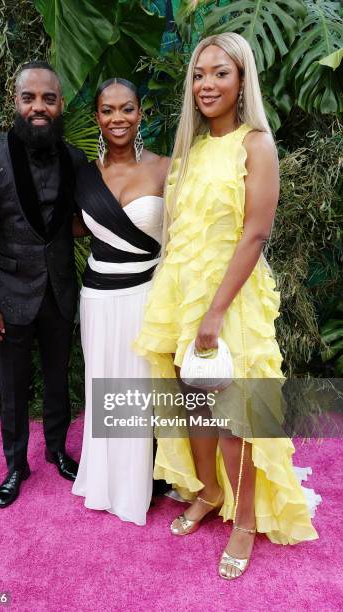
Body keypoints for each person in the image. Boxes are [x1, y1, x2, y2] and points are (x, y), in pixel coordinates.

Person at [134, 33, 320, 578]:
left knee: (235, 415)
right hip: (183, 293)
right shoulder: (191, 149)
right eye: (199, 74)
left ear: (242, 82)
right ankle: (210, 491)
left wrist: (215, 312)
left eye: (219, 73)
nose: (206, 84)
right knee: (192, 407)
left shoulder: (254, 143)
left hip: (230, 300)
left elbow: (255, 235)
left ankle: (244, 521)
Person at [0, 61, 87, 509]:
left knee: (58, 380)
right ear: (15, 102)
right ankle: (16, 465)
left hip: (59, 290)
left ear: (60, 104)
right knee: (13, 387)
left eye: (48, 99)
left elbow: (83, 221)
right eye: (29, 98)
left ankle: (57, 449)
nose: (39, 106)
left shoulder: (73, 158)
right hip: (9, 296)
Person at [72, 78, 170, 525]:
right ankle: (107, 479)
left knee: (141, 391)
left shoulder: (166, 168)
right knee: (104, 386)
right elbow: (73, 226)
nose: (117, 118)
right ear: (97, 117)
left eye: (126, 109)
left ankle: (139, 483)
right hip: (97, 296)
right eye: (108, 110)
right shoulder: (82, 176)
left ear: (140, 114)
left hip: (145, 295)